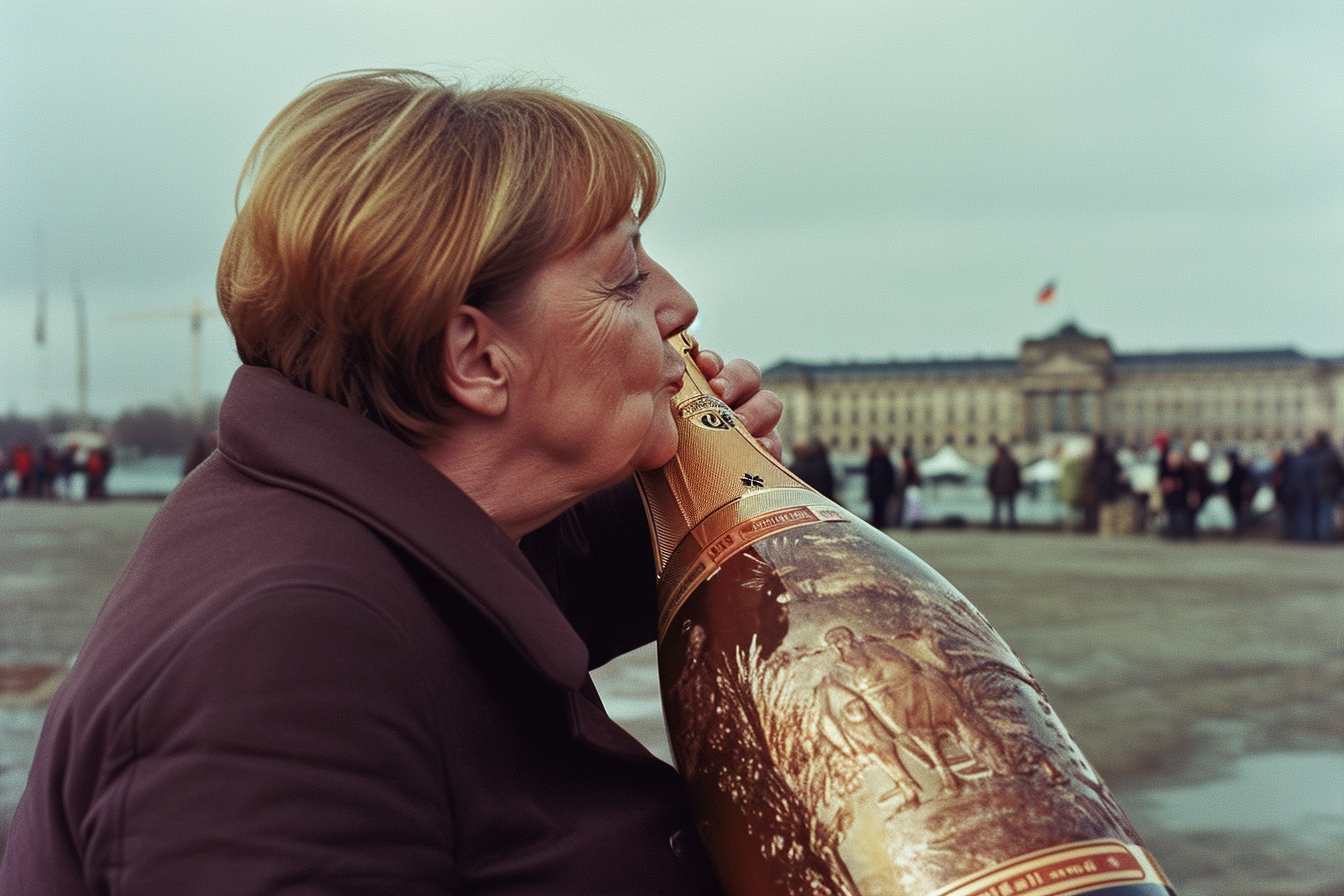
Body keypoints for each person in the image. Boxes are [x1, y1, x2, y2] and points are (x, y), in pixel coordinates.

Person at [1, 70, 784, 895]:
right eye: (626, 276)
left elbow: (554, 574)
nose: (680, 304)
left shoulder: (377, 522)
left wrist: (720, 481)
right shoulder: (284, 659)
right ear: (478, 359)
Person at [986, 443, 1021, 530]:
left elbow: (991, 477)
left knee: (997, 508)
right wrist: (1018, 487)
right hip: (1010, 489)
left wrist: (990, 487)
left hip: (997, 489)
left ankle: (995, 525)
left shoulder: (996, 463)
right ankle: (1012, 525)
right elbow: (1017, 477)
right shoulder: (1012, 463)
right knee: (1011, 509)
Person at [863, 439, 897, 529]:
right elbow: (891, 477)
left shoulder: (873, 461)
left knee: (877, 509)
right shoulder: (884, 461)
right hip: (881, 491)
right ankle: (879, 524)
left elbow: (869, 477)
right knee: (879, 509)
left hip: (877, 490)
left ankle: (878, 524)